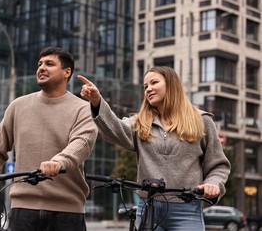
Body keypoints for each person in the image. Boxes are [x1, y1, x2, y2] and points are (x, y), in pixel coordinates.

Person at [78, 66, 231, 231]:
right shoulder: (140, 122)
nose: (148, 89)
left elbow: (218, 165)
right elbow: (114, 130)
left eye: (154, 82)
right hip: (147, 208)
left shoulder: (202, 121)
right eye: (145, 86)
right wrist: (97, 101)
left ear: (171, 85)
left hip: (186, 210)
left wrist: (213, 184)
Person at [0, 46, 98, 231]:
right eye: (39, 64)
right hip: (23, 210)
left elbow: (82, 144)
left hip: (67, 212)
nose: (41, 68)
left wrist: (59, 162)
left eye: (49, 64)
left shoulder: (82, 109)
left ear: (66, 72)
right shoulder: (18, 106)